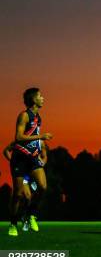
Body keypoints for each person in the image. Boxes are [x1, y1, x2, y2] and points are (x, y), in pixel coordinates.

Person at [7, 88, 53, 237]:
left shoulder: (38, 117)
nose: (43, 98)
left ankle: (31, 214)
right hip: (19, 159)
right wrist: (41, 136)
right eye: (40, 96)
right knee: (18, 195)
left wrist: (40, 149)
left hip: (32, 159)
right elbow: (18, 137)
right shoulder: (24, 115)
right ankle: (13, 223)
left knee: (43, 186)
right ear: (33, 100)